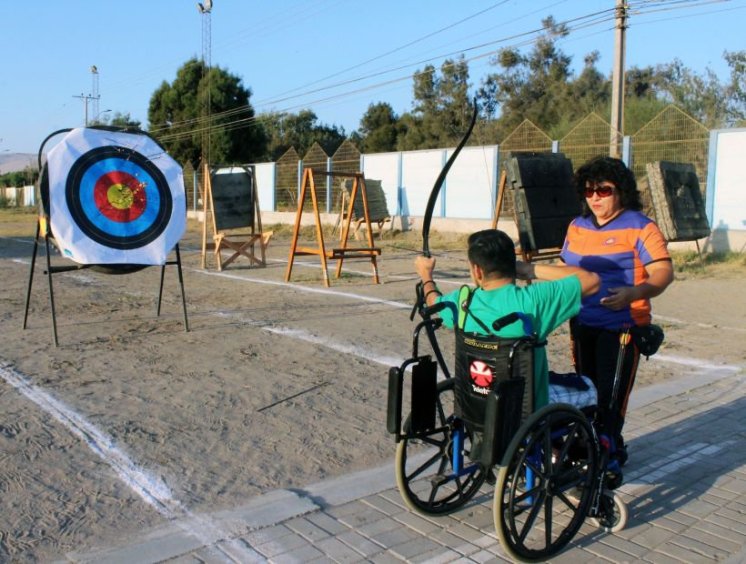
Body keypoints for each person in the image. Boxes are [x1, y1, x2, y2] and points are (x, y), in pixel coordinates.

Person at [559, 155, 674, 467]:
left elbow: (663, 272)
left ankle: (604, 455)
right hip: (582, 323)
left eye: (604, 190)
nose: (595, 198)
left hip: (623, 327)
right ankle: (596, 446)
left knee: (611, 400)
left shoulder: (641, 227)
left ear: (621, 190)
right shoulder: (577, 226)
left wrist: (634, 293)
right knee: (586, 391)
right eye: (589, 191)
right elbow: (564, 269)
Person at [415, 228, 600, 410]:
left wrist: (426, 275)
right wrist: (530, 269)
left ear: (477, 271)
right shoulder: (534, 300)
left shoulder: (462, 300)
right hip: (526, 409)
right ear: (512, 264)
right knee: (588, 388)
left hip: (477, 406)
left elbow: (433, 301)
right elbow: (592, 280)